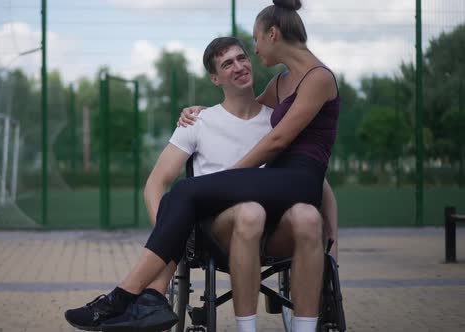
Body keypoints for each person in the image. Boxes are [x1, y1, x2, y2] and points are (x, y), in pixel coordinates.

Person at [65, 1, 340, 331]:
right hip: (264, 198)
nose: (250, 54)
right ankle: (144, 298)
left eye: (250, 45)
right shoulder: (279, 86)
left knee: (187, 190)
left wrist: (226, 180)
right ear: (214, 77)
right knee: (196, 195)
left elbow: (279, 142)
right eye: (229, 63)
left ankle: (125, 296)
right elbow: (244, 109)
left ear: (272, 34)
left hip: (295, 185)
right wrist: (202, 112)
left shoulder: (318, 78)